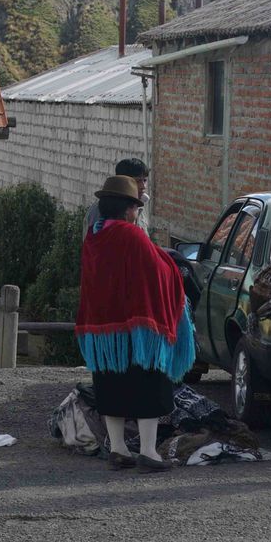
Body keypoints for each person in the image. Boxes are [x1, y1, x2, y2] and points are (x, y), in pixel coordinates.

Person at [76, 175, 195, 473]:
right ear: (127, 208)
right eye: (136, 207)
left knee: (111, 385)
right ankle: (147, 451)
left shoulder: (94, 236)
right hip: (138, 331)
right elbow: (157, 273)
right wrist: (174, 275)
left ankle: (117, 448)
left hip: (104, 331)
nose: (137, 212)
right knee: (148, 386)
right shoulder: (131, 236)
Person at [83, 158, 151, 237]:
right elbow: (94, 244)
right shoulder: (101, 210)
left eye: (145, 180)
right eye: (138, 181)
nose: (143, 186)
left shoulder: (140, 206)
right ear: (123, 182)